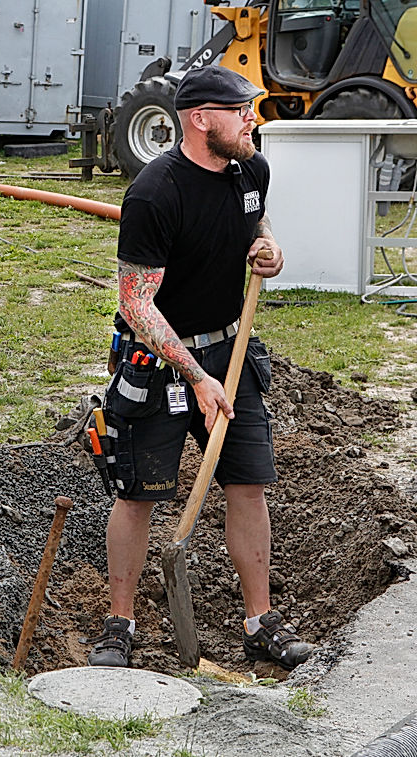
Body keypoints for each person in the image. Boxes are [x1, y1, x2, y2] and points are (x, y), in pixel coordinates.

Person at [86, 66, 316, 670]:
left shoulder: (250, 169)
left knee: (248, 482)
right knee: (139, 493)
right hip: (162, 359)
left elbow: (254, 220)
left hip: (233, 353)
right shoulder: (156, 193)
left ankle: (259, 622)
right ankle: (120, 624)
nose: (253, 119)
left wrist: (267, 247)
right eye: (242, 110)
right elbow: (135, 302)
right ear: (200, 119)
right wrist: (195, 374)